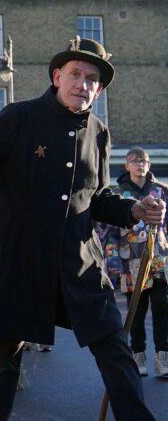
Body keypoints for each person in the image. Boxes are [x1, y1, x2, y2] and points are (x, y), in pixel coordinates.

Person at [0, 37, 165, 421]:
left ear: (99, 89)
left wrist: (134, 208)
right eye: (75, 74)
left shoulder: (99, 134)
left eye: (92, 79)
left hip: (80, 263)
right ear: (57, 76)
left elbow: (98, 197)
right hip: (18, 260)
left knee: (114, 347)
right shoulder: (19, 117)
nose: (82, 84)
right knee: (3, 357)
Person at [97, 147, 168, 377]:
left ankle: (163, 357)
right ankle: (138, 356)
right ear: (126, 166)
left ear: (149, 165)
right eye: (134, 160)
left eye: (144, 160)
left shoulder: (162, 191)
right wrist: (113, 264)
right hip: (130, 260)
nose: (140, 164)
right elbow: (107, 232)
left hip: (159, 258)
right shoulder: (118, 193)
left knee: (162, 306)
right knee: (136, 310)